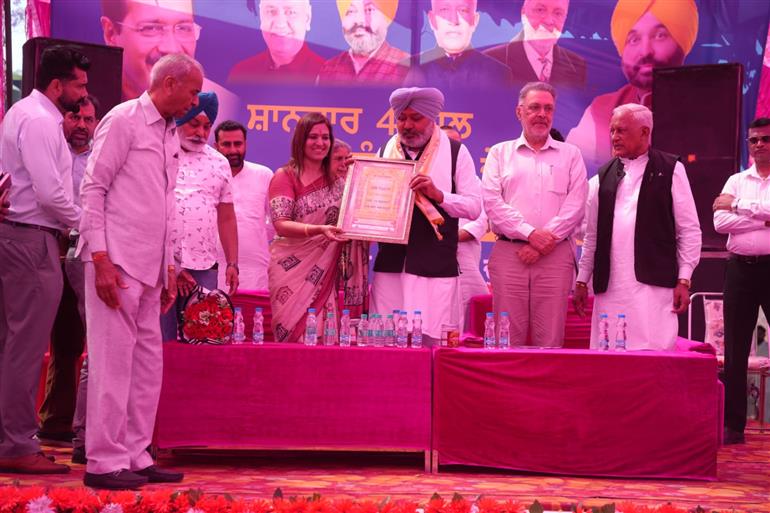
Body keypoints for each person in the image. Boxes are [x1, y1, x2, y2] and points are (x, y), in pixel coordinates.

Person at [78, 53, 201, 489]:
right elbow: (92, 189)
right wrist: (99, 259)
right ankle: (103, 461)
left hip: (151, 269)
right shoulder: (123, 119)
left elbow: (163, 203)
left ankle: (135, 454)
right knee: (112, 364)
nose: (194, 101)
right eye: (192, 92)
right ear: (169, 83)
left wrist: (169, 267)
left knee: (147, 367)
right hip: (116, 262)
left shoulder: (168, 131)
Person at [0, 46, 89, 474]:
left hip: (19, 236)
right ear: (57, 85)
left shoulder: (23, 112)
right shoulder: (39, 120)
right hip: (32, 239)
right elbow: (51, 195)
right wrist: (91, 225)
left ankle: (10, 440)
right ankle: (17, 444)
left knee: (11, 345)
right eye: (80, 85)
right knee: (26, 348)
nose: (83, 93)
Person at [574, 103, 701, 351]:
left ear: (644, 132)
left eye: (621, 130)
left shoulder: (671, 169)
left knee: (652, 352)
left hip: (653, 288)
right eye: (612, 130)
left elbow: (689, 229)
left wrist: (684, 279)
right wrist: (581, 281)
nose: (614, 137)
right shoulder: (601, 177)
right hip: (610, 288)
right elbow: (592, 236)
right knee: (610, 352)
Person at [371, 87, 482, 345]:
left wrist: (439, 195)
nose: (407, 125)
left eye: (416, 118)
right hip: (391, 265)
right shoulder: (385, 151)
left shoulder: (455, 152)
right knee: (387, 341)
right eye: (401, 118)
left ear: (432, 118)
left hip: (434, 265)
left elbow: (474, 207)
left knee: (434, 341)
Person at [482, 81, 587, 348]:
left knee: (550, 338)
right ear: (520, 112)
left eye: (548, 109)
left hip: (555, 254)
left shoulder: (571, 154)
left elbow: (576, 205)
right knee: (506, 339)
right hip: (510, 254)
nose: (542, 114)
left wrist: (542, 242)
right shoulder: (499, 153)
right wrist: (530, 234)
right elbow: (492, 203)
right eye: (535, 108)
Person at [267, 113, 368, 342]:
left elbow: (356, 215)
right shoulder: (285, 176)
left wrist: (363, 176)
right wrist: (319, 230)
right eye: (313, 137)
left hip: (325, 270)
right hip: (291, 269)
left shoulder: (338, 180)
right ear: (300, 140)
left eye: (325, 137)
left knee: (324, 335)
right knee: (295, 334)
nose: (320, 143)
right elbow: (281, 224)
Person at [566, 0, 699, 170]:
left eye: (660, 36)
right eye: (634, 39)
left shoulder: (709, 106)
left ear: (682, 43)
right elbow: (572, 170)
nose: (645, 51)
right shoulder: (600, 110)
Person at [38, 95, 99, 454]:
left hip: (85, 253)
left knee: (78, 339)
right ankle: (51, 422)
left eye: (89, 120)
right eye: (75, 118)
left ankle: (69, 424)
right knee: (45, 340)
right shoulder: (49, 154)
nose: (81, 126)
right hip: (48, 247)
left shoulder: (99, 160)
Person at [160, 92, 239, 342]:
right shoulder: (161, 152)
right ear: (181, 119)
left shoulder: (219, 163)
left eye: (207, 127)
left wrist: (233, 263)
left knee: (203, 338)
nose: (201, 133)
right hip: (162, 264)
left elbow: (226, 217)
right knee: (161, 339)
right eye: (194, 124)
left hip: (203, 264)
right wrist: (172, 264)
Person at [713, 117, 770, 444]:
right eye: (754, 140)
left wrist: (739, 207)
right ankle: (734, 426)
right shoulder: (736, 179)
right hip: (739, 270)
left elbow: (729, 212)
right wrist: (764, 220)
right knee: (735, 348)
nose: (759, 144)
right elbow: (719, 223)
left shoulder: (735, 193)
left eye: (765, 139)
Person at [99, 0, 239, 126]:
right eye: (151, 28)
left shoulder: (226, 108)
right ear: (110, 33)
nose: (172, 48)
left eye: (183, 28)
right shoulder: (101, 112)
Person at [214, 121, 275, 291]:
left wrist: (256, 234)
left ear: (245, 144)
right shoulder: (208, 176)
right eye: (226, 144)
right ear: (216, 146)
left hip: (256, 269)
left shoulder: (264, 175)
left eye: (238, 144)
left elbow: (276, 221)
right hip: (214, 267)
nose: (233, 150)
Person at [441, 125, 489, 331]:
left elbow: (483, 218)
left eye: (456, 144)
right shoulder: (429, 178)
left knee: (470, 302)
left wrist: (452, 237)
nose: (453, 149)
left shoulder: (475, 182)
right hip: (433, 253)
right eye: (447, 144)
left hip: (464, 252)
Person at [405, 0, 512, 90]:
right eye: (444, 10)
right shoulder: (410, 69)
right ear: (432, 20)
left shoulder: (498, 73)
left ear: (475, 21)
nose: (454, 21)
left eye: (463, 10)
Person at [484, 0, 586, 91]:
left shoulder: (577, 66)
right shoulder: (490, 62)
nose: (549, 21)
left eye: (558, 13)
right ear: (523, 13)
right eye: (540, 10)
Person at [228, 0, 324, 84]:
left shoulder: (326, 77)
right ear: (261, 18)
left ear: (307, 19)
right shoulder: (240, 74)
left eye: (291, 12)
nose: (280, 24)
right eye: (271, 11)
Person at [317, 0, 409, 86]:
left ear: (387, 18)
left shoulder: (408, 68)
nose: (359, 21)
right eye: (351, 11)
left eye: (369, 10)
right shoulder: (328, 69)